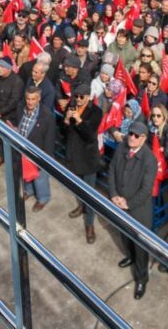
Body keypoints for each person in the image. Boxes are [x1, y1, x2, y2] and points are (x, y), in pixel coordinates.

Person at [110, 119, 157, 300]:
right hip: (119, 204)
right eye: (130, 133)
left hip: (138, 211)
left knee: (140, 247)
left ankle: (141, 278)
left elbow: (146, 189)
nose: (132, 138)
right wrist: (114, 194)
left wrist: (128, 203)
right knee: (124, 234)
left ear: (144, 138)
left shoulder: (149, 159)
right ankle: (129, 256)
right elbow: (113, 169)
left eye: (136, 136)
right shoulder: (122, 147)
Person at [62, 90, 102, 244]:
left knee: (89, 193)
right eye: (76, 96)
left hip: (88, 159)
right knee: (77, 188)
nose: (78, 99)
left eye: (81, 97)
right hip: (73, 156)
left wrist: (78, 120)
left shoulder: (96, 112)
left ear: (88, 97)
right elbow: (64, 132)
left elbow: (90, 136)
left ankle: (90, 224)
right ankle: (82, 207)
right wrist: (66, 120)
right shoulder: (71, 107)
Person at [14, 86, 55, 211]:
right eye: (28, 99)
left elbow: (49, 140)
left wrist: (44, 159)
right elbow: (18, 124)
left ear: (39, 99)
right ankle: (28, 190)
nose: (30, 102)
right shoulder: (21, 108)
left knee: (39, 178)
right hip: (23, 149)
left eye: (33, 99)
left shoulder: (46, 115)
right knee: (26, 174)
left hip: (38, 152)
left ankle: (43, 198)